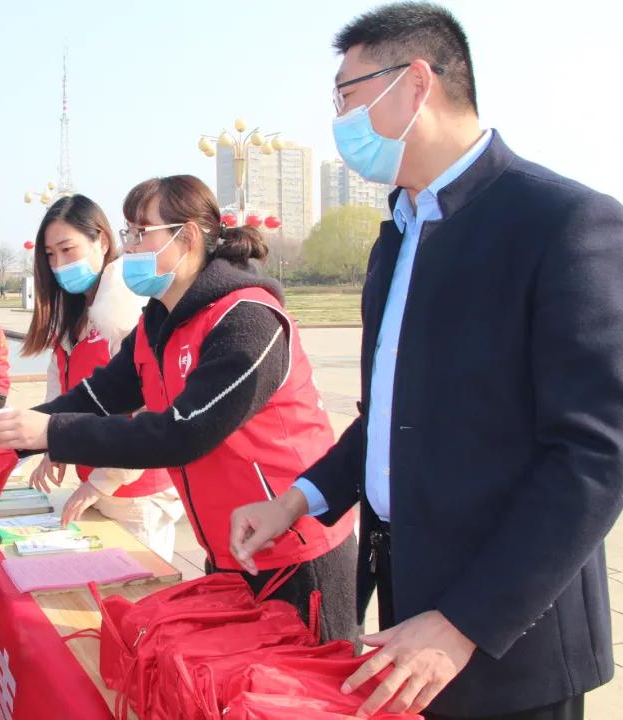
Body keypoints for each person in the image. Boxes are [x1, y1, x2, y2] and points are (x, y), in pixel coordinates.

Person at [227, 4, 623, 718]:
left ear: (414, 84)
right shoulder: (399, 235)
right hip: (408, 617)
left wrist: (467, 621)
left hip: (510, 640)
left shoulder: (562, 223)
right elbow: (387, 418)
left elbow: (595, 456)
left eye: (347, 96)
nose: (340, 119)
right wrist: (298, 499)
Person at [0, 176, 358, 641]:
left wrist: (54, 433)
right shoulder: (158, 321)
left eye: (142, 233)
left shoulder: (246, 319)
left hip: (296, 552)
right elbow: (101, 394)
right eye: (128, 233)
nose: (131, 246)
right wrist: (6, 435)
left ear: (188, 237)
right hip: (227, 546)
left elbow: (184, 433)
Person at [17, 194, 184, 561]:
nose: (60, 264)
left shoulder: (125, 311)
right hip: (95, 481)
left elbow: (149, 409)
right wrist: (51, 442)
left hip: (137, 489)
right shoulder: (73, 315)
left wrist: (100, 482)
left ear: (103, 241)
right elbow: (62, 386)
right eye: (50, 255)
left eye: (67, 249)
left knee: (138, 597)